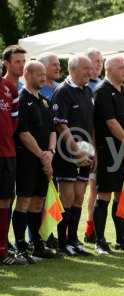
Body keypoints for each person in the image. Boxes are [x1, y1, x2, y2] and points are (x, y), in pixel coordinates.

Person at [92, 56, 124, 254]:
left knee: (123, 194)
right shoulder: (102, 91)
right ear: (109, 69)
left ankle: (122, 239)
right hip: (110, 150)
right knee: (104, 194)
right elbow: (111, 122)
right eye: (121, 67)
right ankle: (100, 241)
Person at [12, 61, 58, 262]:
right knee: (24, 201)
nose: (43, 77)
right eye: (39, 73)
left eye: (43, 73)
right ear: (27, 74)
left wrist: (50, 151)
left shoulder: (45, 101)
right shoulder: (22, 99)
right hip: (27, 159)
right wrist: (42, 155)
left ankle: (37, 243)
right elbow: (22, 133)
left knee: (38, 202)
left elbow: (53, 130)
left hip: (44, 158)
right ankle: (21, 246)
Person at [52, 54, 95, 256]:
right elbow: (61, 124)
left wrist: (93, 151)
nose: (91, 71)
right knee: (67, 197)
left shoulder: (87, 91)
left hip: (85, 153)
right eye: (86, 68)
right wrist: (76, 151)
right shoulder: (62, 92)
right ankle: (62, 243)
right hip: (66, 154)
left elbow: (91, 124)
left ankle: (73, 239)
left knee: (79, 196)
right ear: (73, 69)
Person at [0, 64, 27, 265]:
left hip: (7, 153)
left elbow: (14, 123)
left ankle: (2, 250)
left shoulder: (10, 89)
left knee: (5, 201)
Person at [83, 48, 104, 243]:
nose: (99, 64)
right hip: (86, 144)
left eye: (101, 61)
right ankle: (88, 227)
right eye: (95, 61)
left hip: (104, 145)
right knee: (87, 189)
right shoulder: (82, 86)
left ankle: (93, 227)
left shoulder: (103, 85)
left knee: (98, 188)